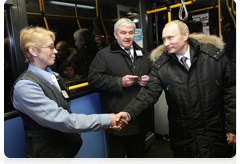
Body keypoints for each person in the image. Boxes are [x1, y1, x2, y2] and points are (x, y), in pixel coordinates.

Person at [117, 20, 238, 164]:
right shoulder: (161, 66)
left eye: (170, 38)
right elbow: (148, 94)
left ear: (185, 35)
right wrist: (129, 112)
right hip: (184, 138)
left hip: (215, 134)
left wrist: (233, 126)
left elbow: (232, 91)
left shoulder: (214, 57)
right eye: (164, 39)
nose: (166, 43)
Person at [11, 26, 125, 164]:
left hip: (62, 148)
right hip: (47, 154)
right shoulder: (25, 86)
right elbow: (63, 120)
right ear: (33, 51)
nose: (55, 51)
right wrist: (108, 120)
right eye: (50, 47)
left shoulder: (55, 77)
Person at [88, 18, 152, 164]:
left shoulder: (145, 53)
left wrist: (149, 79)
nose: (127, 36)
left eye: (131, 33)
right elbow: (94, 79)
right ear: (115, 35)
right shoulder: (104, 55)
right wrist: (119, 82)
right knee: (116, 156)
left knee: (137, 156)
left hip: (139, 115)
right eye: (123, 33)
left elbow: (154, 75)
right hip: (117, 116)